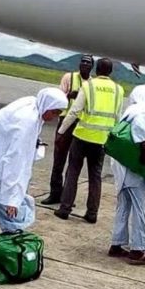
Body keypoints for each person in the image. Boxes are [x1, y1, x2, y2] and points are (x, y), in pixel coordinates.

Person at [0, 88, 67, 257]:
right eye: (55, 112)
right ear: (47, 105)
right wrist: (11, 199)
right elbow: (14, 163)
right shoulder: (27, 122)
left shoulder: (30, 104)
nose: (55, 117)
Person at [55, 58, 124, 222]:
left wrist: (61, 130)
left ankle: (65, 209)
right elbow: (118, 118)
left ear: (96, 70)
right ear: (110, 72)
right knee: (95, 176)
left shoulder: (88, 86)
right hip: (101, 140)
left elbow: (74, 111)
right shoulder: (118, 90)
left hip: (82, 136)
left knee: (72, 172)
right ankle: (92, 213)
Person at [107, 85, 145, 265]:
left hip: (121, 168)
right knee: (139, 208)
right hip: (134, 171)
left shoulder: (129, 111)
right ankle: (138, 249)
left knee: (123, 207)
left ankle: (116, 244)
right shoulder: (143, 113)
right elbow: (140, 133)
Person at [44, 54, 93, 206]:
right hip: (65, 122)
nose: (84, 64)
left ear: (92, 66)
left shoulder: (92, 84)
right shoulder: (69, 78)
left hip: (80, 124)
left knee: (73, 162)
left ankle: (67, 196)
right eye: (83, 61)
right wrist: (68, 95)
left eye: (88, 62)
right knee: (58, 159)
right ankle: (54, 194)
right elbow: (58, 98)